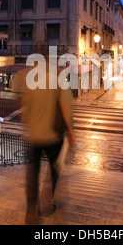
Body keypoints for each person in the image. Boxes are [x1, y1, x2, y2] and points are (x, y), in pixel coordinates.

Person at [12, 57, 75, 225]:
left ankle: (31, 210)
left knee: (32, 173)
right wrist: (71, 132)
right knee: (54, 170)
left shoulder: (26, 77)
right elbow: (66, 107)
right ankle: (47, 204)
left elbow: (19, 101)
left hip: (32, 136)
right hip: (53, 135)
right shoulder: (59, 78)